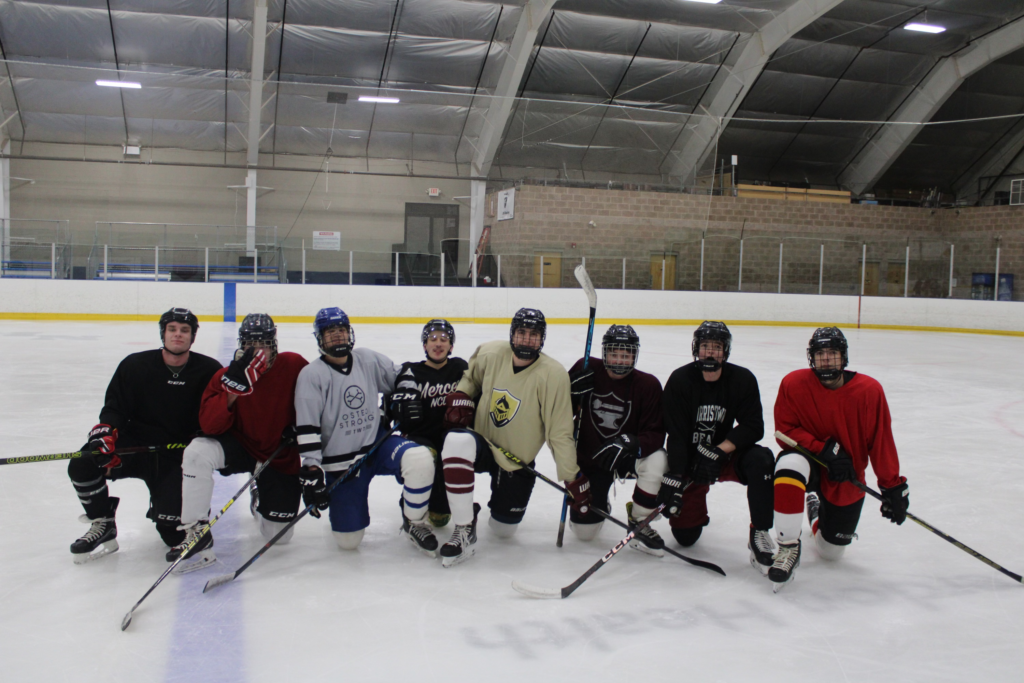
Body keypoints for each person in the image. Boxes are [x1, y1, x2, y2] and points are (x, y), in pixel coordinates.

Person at [438, 307, 590, 567]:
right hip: (482, 444)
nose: (527, 340)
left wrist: (571, 476)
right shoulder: (490, 353)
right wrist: (462, 395)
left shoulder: (553, 374)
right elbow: (471, 379)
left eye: (534, 335)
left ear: (542, 339)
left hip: (516, 460)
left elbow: (559, 433)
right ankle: (464, 527)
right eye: (521, 333)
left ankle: (492, 510)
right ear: (512, 334)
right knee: (456, 440)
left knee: (503, 530)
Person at [68, 308, 221, 564]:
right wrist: (105, 431)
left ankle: (169, 510)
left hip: (177, 456)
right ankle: (103, 521)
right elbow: (115, 408)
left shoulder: (209, 370)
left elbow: (217, 418)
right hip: (134, 448)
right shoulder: (135, 365)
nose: (178, 335)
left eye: (184, 330)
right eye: (172, 329)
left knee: (173, 535)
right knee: (84, 462)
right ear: (163, 333)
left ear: (193, 336)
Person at [770, 326, 909, 589]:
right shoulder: (793, 383)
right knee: (788, 464)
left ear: (843, 356)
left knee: (831, 552)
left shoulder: (869, 390)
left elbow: (881, 441)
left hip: (846, 476)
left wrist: (892, 486)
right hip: (811, 462)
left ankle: (814, 509)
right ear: (811, 357)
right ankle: (788, 547)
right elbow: (783, 432)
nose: (826, 359)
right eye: (820, 354)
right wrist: (821, 449)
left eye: (832, 353)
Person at [294, 308, 438, 556]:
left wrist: (406, 393)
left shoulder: (367, 359)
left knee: (420, 458)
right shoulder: (311, 375)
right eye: (330, 332)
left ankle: (415, 522)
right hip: (342, 464)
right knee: (348, 541)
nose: (337, 335)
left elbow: (402, 372)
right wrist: (312, 469)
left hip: (377, 445)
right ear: (320, 338)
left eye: (341, 330)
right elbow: (308, 427)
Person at [177, 313, 307, 573]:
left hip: (278, 454)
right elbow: (210, 427)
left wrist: (301, 428)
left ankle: (258, 493)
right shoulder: (225, 376)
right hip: (240, 447)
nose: (257, 351)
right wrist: (233, 390)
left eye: (264, 344)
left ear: (274, 344)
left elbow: (317, 398)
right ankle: (195, 529)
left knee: (278, 538)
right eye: (250, 344)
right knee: (197, 452)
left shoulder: (294, 364)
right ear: (241, 345)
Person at [659, 321, 775, 575]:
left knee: (762, 460)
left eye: (717, 347)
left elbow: (754, 426)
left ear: (726, 351)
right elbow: (676, 434)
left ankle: (760, 532)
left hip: (725, 455)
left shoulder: (742, 379)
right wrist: (676, 476)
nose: (710, 352)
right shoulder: (680, 380)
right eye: (705, 346)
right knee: (685, 537)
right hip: (692, 462)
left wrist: (720, 450)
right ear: (696, 349)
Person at [566, 324, 668, 555]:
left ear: (635, 355)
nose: (620, 361)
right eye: (614, 354)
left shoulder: (648, 385)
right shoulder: (586, 368)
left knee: (658, 459)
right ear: (604, 352)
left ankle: (640, 521)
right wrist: (569, 393)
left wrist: (632, 443)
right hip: (592, 460)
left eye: (626, 355)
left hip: (626, 457)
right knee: (584, 533)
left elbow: (656, 433)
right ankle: (601, 501)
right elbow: (557, 415)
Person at [387, 319, 469, 528]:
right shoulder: (410, 371)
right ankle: (410, 508)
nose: (438, 343)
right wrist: (394, 409)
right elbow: (390, 402)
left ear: (451, 346)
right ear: (424, 345)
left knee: (440, 519)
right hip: (419, 439)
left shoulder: (460, 368)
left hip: (449, 440)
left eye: (444, 339)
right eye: (432, 339)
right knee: (424, 458)